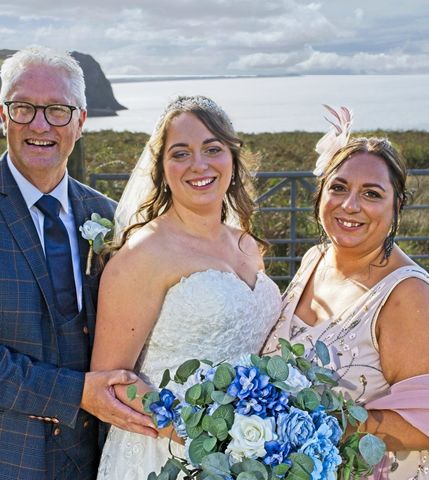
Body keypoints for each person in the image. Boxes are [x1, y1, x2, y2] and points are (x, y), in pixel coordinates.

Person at [0, 46, 156, 479]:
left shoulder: (109, 217)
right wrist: (77, 392)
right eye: (24, 108)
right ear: (4, 116)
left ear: (80, 121)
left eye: (58, 110)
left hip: (94, 456)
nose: (40, 125)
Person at [261, 107, 429, 479]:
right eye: (338, 187)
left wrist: (300, 427)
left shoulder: (408, 297)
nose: (350, 205)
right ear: (321, 191)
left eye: (371, 193)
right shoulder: (315, 259)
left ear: (396, 205)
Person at [91, 95, 283, 478]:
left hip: (251, 456)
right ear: (162, 169)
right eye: (180, 153)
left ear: (232, 157)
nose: (199, 165)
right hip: (165, 456)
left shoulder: (246, 245)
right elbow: (109, 383)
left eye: (212, 149)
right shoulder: (144, 253)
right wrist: (208, 439)